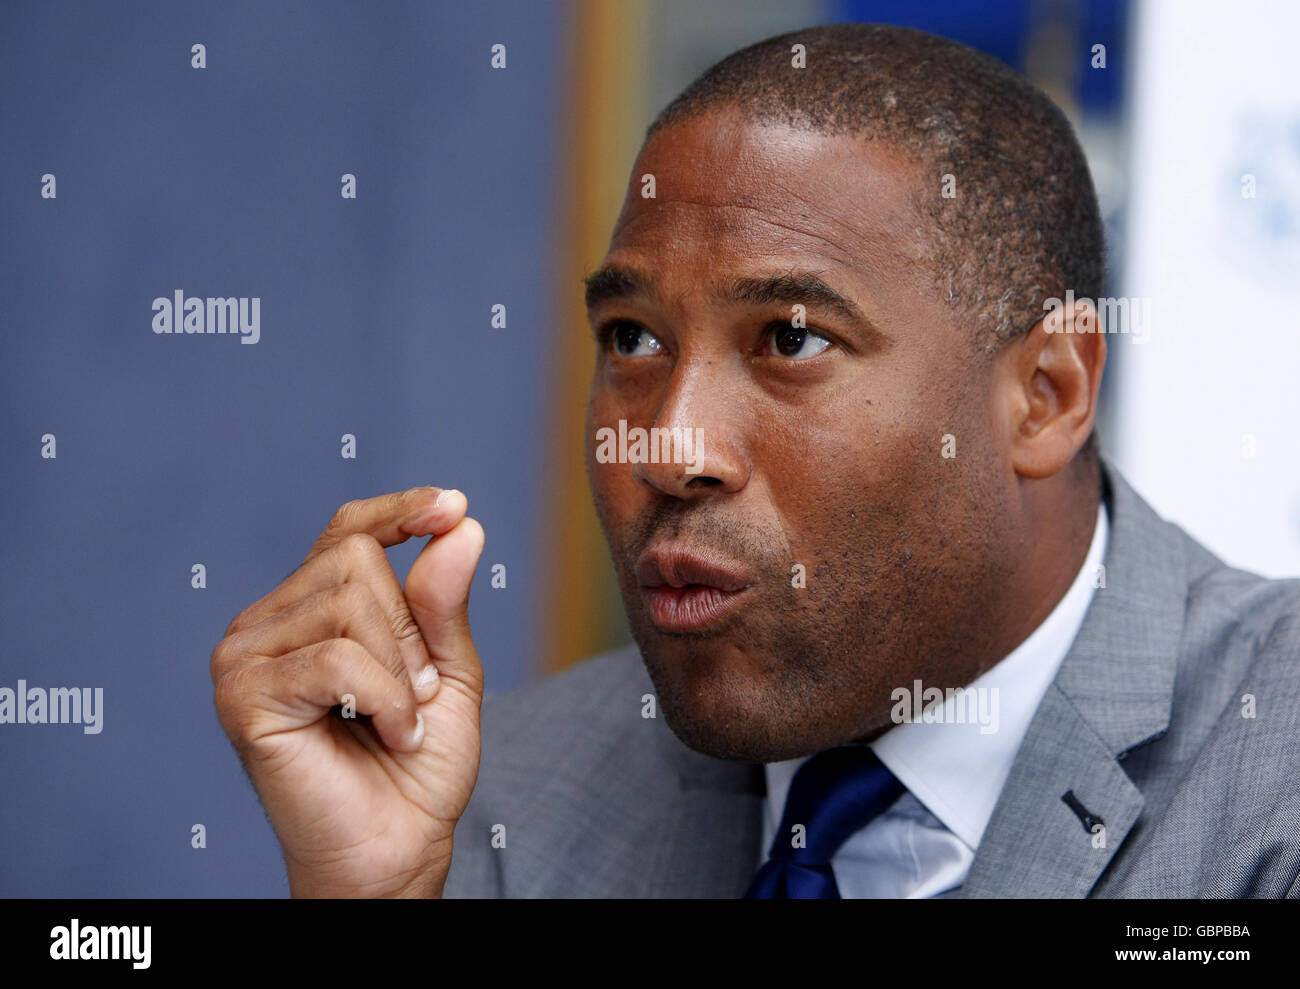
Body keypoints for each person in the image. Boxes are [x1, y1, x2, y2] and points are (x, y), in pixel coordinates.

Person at [210, 23, 1300, 898]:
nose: (668, 444)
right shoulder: (498, 797)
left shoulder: (1269, 774)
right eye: (632, 338)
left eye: (791, 338)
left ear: (1047, 394)